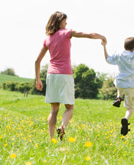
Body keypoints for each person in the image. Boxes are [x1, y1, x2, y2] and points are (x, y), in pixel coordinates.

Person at [35, 11, 106, 140]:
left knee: (54, 110)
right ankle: (62, 127)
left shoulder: (47, 38)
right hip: (64, 74)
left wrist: (38, 79)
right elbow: (90, 35)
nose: (66, 23)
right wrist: (102, 37)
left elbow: (37, 61)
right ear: (59, 21)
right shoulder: (67, 33)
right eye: (64, 20)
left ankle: (51, 140)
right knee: (69, 108)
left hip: (51, 75)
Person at [101, 23, 134, 136]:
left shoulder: (119, 53)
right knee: (130, 108)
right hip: (132, 86)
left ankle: (118, 97)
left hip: (120, 83)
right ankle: (125, 119)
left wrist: (104, 46)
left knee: (120, 85)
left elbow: (108, 59)